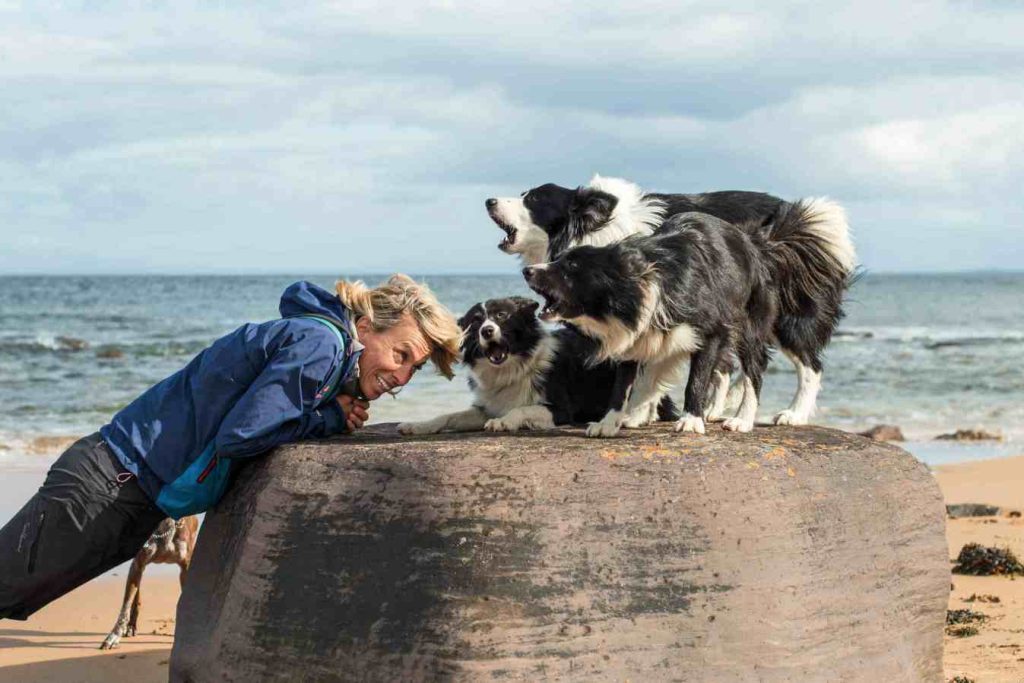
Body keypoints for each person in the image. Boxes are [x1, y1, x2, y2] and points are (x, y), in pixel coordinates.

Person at [0, 275, 460, 621]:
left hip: (131, 496)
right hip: (109, 483)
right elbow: (241, 434)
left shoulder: (329, 353)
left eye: (413, 370)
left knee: (14, 597)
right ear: (365, 325)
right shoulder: (321, 344)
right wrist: (329, 418)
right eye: (400, 355)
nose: (400, 377)